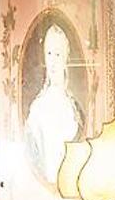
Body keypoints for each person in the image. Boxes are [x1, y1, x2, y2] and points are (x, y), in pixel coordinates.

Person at [22, 21, 84, 186]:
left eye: (57, 54)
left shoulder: (74, 106)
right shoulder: (38, 106)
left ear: (66, 57)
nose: (53, 61)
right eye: (49, 53)